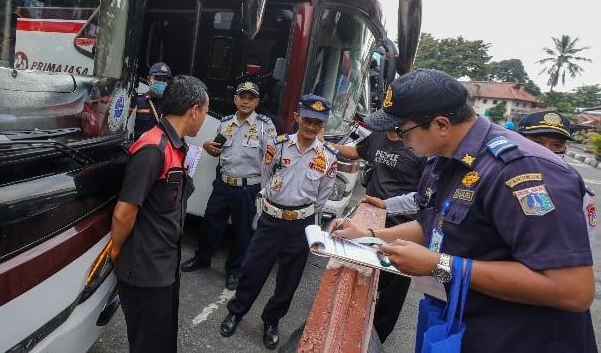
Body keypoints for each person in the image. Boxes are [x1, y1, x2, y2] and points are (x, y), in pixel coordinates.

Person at [332, 69, 596, 352]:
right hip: (467, 327)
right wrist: (369, 235)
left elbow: (573, 290)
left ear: (441, 124)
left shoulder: (521, 169)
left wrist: (439, 264)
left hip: (525, 340)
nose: (397, 138)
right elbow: (432, 224)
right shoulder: (443, 160)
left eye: (400, 130)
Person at [220, 95, 338, 350]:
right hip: (272, 220)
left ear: (323, 125)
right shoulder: (278, 145)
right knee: (253, 269)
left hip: (301, 226)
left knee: (289, 280)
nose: (311, 126)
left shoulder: (328, 158)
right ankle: (236, 312)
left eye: (318, 123)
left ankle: (271, 321)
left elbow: (322, 198)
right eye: (307, 119)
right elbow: (265, 177)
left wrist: (301, 214)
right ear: (297, 117)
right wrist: (273, 205)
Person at [110, 75, 209, 353]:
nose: (203, 118)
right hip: (146, 272)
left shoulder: (175, 146)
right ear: (193, 110)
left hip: (164, 268)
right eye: (205, 110)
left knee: (163, 342)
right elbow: (124, 213)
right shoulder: (154, 147)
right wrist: (117, 250)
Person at [181, 81, 277, 290]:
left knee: (243, 232)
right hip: (223, 184)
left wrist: (267, 191)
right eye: (242, 97)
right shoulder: (224, 123)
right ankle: (202, 258)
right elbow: (218, 149)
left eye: (250, 98)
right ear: (235, 99)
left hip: (248, 188)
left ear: (257, 102)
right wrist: (207, 146)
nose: (245, 101)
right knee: (210, 223)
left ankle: (234, 270)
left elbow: (271, 160)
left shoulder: (265, 125)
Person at [333, 129, 426, 343]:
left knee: (389, 296)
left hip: (403, 231)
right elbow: (358, 151)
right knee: (358, 283)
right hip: (369, 222)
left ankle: (375, 341)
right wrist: (330, 146)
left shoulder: (420, 149)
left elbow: (425, 198)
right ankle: (349, 334)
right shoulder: (377, 137)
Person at [516, 110, 596, 260]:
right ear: (517, 140)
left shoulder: (576, 189)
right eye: (537, 143)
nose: (547, 151)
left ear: (565, 148)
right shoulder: (496, 177)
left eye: (557, 145)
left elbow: (587, 240)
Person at [131, 61, 173, 140]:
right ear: (148, 80)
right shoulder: (137, 101)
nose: (161, 83)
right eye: (158, 79)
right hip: (142, 149)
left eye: (164, 81)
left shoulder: (170, 105)